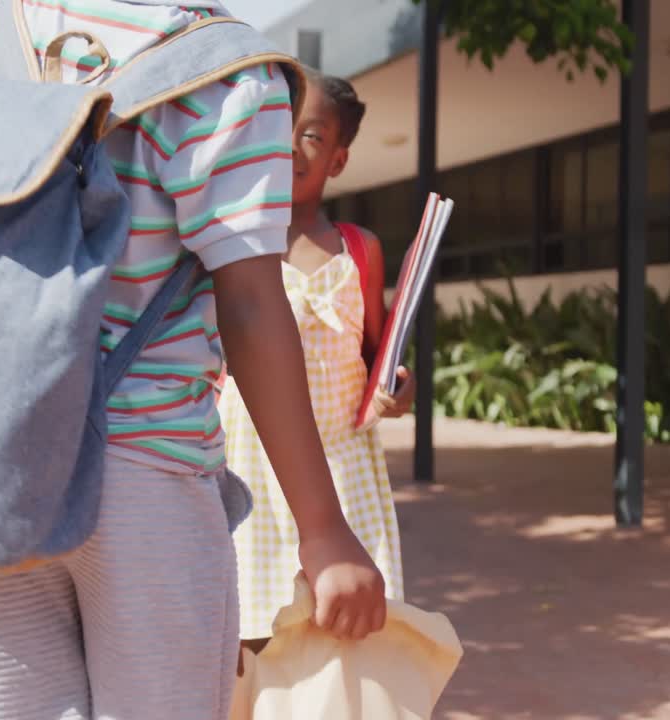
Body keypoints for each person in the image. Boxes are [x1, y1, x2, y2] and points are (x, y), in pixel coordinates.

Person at [0, 3, 385, 719]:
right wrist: (323, 531)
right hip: (145, 471)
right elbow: (253, 303)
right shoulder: (230, 69)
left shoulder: (12, 29)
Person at [220, 70, 415, 651]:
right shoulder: (233, 245)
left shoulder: (359, 249)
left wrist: (398, 387)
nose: (289, 145)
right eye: (278, 127)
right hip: (247, 463)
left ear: (337, 159)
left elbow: (377, 352)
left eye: (311, 136)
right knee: (251, 630)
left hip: (344, 468)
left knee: (343, 631)